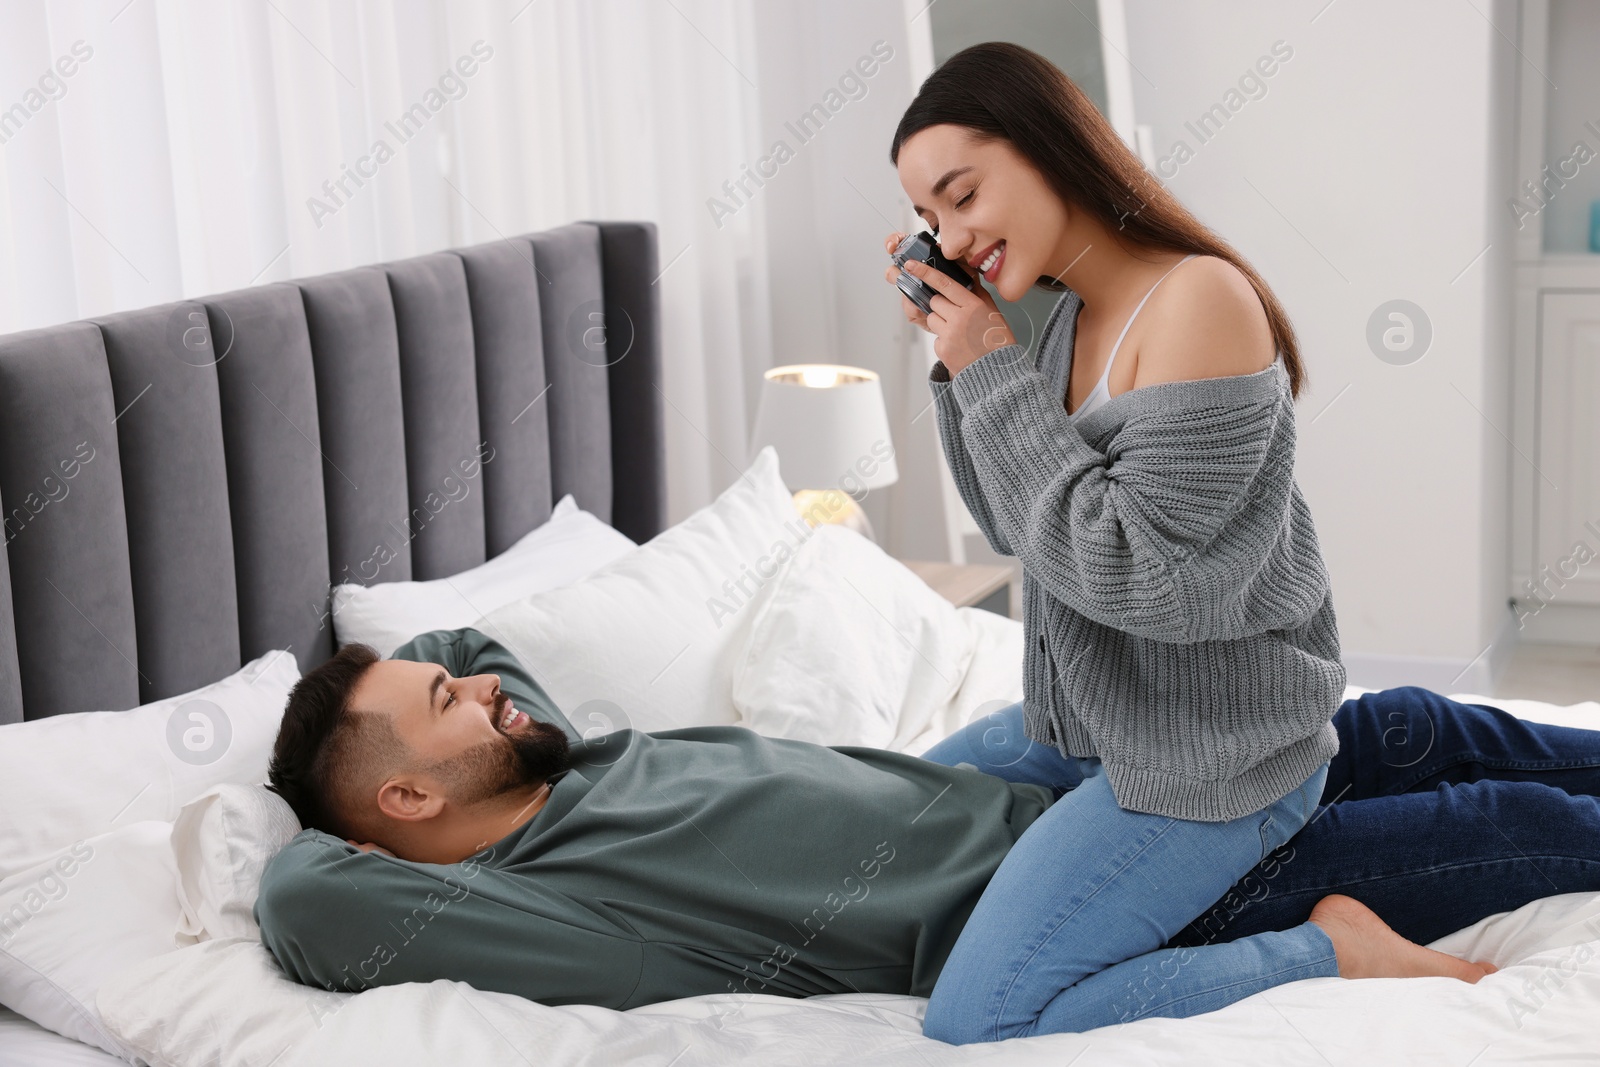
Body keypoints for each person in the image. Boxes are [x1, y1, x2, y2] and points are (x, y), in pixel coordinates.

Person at [255, 627, 1600, 1038]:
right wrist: (313, 800)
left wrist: (392, 685)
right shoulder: (532, 885)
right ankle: (1332, 948)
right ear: (407, 804)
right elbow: (312, 894)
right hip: (1119, 897)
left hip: (1050, 802)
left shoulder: (568, 756)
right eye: (447, 708)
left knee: (1416, 719)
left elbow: (465, 638)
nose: (486, 688)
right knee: (1500, 825)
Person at [881, 39, 1355, 1043]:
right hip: (1094, 727)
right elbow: (1021, 526)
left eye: (962, 196)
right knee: (890, 822)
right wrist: (958, 361)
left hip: (1208, 758)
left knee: (978, 1015)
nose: (953, 237)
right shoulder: (1060, 322)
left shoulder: (1198, 300)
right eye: (929, 220)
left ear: (1048, 146)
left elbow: (1147, 579)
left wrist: (986, 366)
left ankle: (1330, 946)